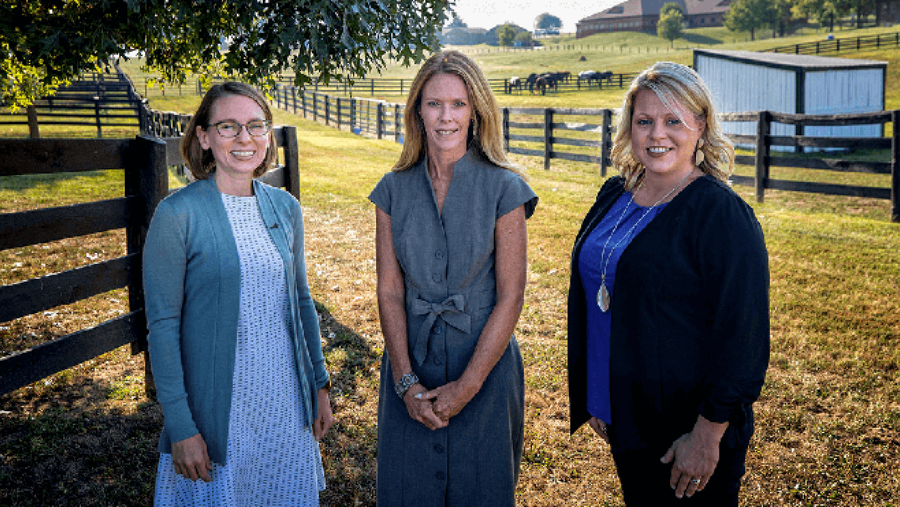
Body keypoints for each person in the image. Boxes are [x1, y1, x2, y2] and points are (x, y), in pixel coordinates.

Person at [567, 62, 770, 506]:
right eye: (645, 121)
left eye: (673, 121)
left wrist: (707, 434)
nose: (657, 134)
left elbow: (744, 336)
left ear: (700, 126)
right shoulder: (614, 196)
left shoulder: (720, 215)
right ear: (630, 128)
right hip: (629, 418)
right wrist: (601, 397)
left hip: (687, 434)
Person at [143, 81, 333, 506]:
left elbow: (300, 302)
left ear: (268, 136)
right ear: (204, 138)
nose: (244, 138)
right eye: (228, 127)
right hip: (220, 410)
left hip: (284, 401)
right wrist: (180, 426)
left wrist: (319, 383)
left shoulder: (285, 208)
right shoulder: (177, 215)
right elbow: (162, 326)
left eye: (255, 126)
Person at [369, 50, 538, 506]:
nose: (446, 117)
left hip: (484, 366)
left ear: (477, 110)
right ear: (417, 111)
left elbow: (511, 296)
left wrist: (467, 386)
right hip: (411, 366)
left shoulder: (506, 188)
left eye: (459, 104)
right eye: (434, 104)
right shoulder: (392, 189)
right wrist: (405, 381)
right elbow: (388, 290)